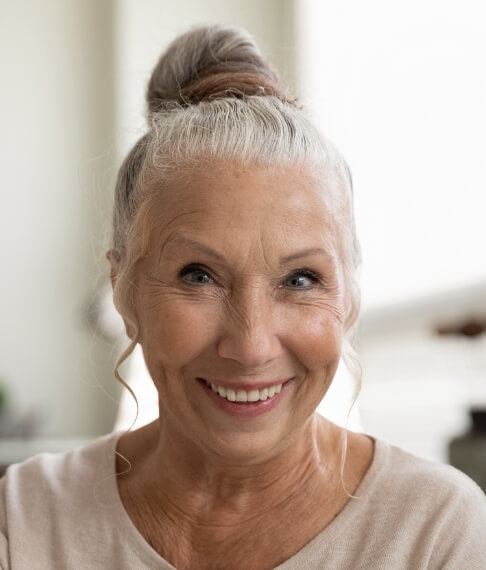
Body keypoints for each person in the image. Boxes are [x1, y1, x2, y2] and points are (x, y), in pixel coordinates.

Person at [1, 24, 485, 570]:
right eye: (198, 276)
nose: (251, 346)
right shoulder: (27, 522)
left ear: (349, 296)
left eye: (301, 279)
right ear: (123, 290)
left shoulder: (437, 534)